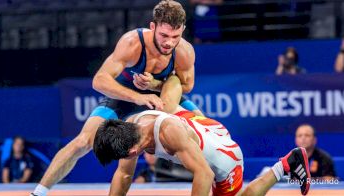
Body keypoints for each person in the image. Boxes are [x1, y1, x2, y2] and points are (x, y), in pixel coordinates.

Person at [31, 1, 203, 195]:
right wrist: (138, 97)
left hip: (163, 96)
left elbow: (187, 85)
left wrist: (154, 84)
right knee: (84, 141)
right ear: (152, 26)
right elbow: (99, 80)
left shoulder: (184, 51)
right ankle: (39, 192)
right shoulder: (133, 42)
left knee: (204, 129)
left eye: (175, 36)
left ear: (183, 30)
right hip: (126, 96)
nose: (169, 43)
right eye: (164, 35)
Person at [93, 75, 311, 196]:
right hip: (200, 126)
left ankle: (286, 164)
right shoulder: (130, 126)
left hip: (225, 156)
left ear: (132, 152)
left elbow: (204, 174)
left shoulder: (168, 134)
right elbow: (123, 176)